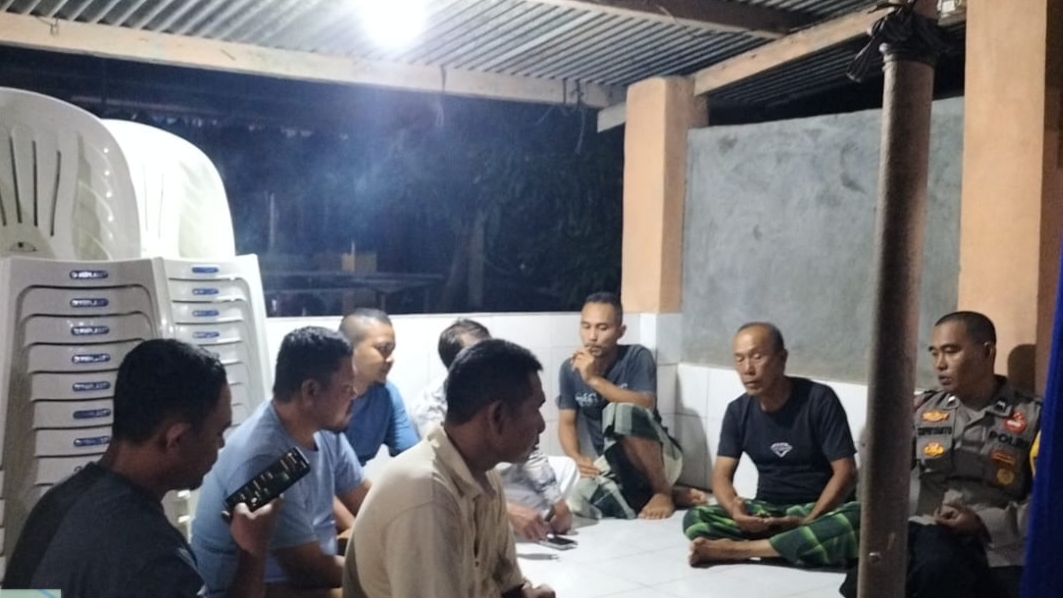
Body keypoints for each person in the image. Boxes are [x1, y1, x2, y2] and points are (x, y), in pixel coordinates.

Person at [3, 339, 278, 598]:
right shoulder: (154, 559)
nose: (221, 445)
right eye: (218, 433)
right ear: (177, 440)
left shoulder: (57, 502)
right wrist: (253, 551)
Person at [841, 311, 1042, 598]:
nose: (940, 364)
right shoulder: (922, 408)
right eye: (934, 353)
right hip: (926, 532)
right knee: (871, 578)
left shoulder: (1033, 415)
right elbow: (877, 476)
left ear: (987, 352)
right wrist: (889, 424)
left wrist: (983, 522)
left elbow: (1047, 501)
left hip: (994, 544)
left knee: (940, 568)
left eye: (951, 351)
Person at [343, 339, 555, 598]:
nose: (541, 425)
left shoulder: (485, 474)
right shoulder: (425, 491)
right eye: (536, 409)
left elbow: (507, 584)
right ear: (497, 416)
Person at [192, 326, 370, 598]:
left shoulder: (324, 431)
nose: (355, 394)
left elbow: (367, 502)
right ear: (310, 391)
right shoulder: (267, 458)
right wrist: (385, 570)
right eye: (346, 387)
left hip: (301, 576)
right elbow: (306, 570)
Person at [684, 322, 860, 568]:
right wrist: (736, 511)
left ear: (782, 358)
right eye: (739, 359)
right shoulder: (737, 411)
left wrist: (809, 519)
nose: (748, 369)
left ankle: (738, 550)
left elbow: (847, 473)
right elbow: (720, 476)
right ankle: (789, 546)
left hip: (819, 509)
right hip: (767, 512)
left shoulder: (819, 399)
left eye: (757, 357)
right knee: (696, 517)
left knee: (859, 520)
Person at [410, 318, 578, 539]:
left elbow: (528, 443)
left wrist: (558, 503)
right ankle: (508, 518)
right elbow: (453, 470)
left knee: (566, 468)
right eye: (482, 356)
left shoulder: (500, 386)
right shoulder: (428, 407)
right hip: (461, 482)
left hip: (496, 471)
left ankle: (523, 517)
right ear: (459, 365)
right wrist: (507, 509)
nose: (494, 361)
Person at [558, 292, 704, 520]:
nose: (592, 336)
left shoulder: (637, 356)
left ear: (620, 331)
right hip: (614, 463)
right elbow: (566, 423)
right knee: (576, 499)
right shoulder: (569, 369)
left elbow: (646, 404)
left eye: (602, 328)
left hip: (661, 458)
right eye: (586, 327)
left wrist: (594, 379)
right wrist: (576, 458)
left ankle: (662, 491)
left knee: (622, 411)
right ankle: (658, 496)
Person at [338, 309, 419, 466]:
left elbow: (411, 454)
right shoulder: (321, 396)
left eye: (392, 350)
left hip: (355, 479)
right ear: (349, 348)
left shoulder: (387, 394)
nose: (390, 359)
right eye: (383, 349)